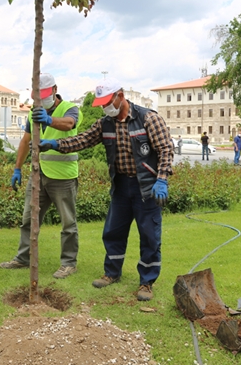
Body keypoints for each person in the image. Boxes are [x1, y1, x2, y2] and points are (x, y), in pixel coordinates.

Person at [38, 78, 174, 301]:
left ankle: (146, 282)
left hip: (146, 187)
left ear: (120, 96)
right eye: (101, 104)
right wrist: (56, 144)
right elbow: (82, 140)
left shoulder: (148, 118)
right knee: (113, 232)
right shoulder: (105, 124)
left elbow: (166, 149)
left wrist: (162, 179)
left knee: (149, 235)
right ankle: (112, 273)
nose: (104, 107)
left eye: (107, 102)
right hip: (121, 185)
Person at [0, 73, 81, 279]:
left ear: (54, 89)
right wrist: (17, 168)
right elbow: (26, 141)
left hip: (63, 177)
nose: (42, 99)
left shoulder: (70, 108)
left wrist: (49, 119)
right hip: (38, 175)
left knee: (68, 223)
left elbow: (69, 124)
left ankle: (69, 263)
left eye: (45, 94)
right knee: (28, 219)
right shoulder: (33, 112)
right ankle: (23, 258)